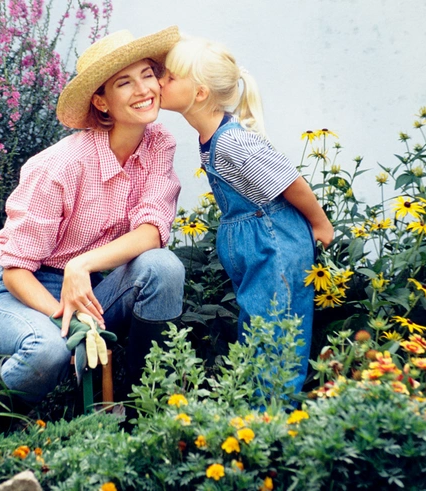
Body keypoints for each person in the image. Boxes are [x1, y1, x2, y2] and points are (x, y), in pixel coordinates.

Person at [0, 26, 184, 417]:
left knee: (163, 267)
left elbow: (152, 232)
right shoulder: (60, 165)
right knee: (48, 350)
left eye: (147, 75)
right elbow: (16, 270)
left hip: (90, 285)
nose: (143, 89)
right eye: (124, 82)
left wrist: (81, 264)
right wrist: (66, 320)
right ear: (101, 102)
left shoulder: (159, 143)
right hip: (21, 294)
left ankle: (145, 409)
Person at [158, 35, 333, 395]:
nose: (159, 82)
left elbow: (290, 181)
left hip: (275, 245)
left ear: (200, 93)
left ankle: (275, 421)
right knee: (257, 330)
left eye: (169, 77)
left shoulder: (234, 141)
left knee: (277, 335)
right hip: (255, 245)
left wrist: (319, 223)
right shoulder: (210, 137)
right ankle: (256, 416)